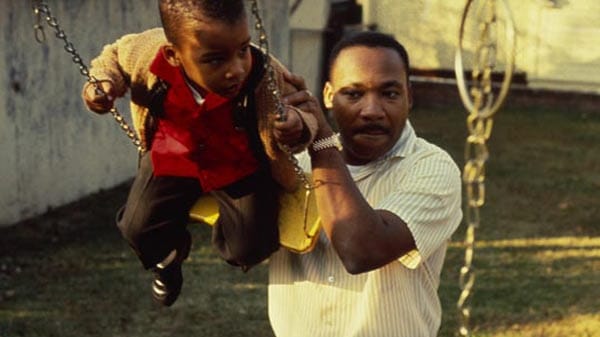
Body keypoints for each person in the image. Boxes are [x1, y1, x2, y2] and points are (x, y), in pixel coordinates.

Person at [81, 0, 317, 307]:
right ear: (173, 56)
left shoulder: (262, 72)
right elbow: (113, 55)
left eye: (243, 50)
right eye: (215, 60)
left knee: (248, 249)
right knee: (136, 228)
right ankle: (170, 260)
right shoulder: (148, 55)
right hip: (173, 153)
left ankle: (230, 216)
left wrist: (297, 127)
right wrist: (102, 84)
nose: (236, 69)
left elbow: (302, 107)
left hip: (236, 162)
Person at [269, 31, 463, 336]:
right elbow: (242, 248)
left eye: (389, 93)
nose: (372, 110)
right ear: (329, 96)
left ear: (409, 97)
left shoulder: (432, 168)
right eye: (354, 94)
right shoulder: (296, 163)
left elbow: (361, 250)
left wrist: (320, 141)